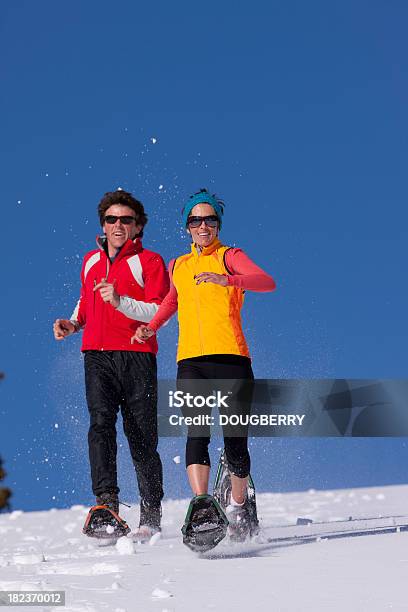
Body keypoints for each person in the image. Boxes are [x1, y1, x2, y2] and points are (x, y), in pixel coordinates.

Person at [132, 188, 276, 538]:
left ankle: (239, 504)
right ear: (187, 227)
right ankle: (202, 505)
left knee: (234, 443)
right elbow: (171, 300)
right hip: (191, 363)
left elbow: (266, 282)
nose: (202, 225)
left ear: (217, 223)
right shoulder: (178, 265)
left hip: (231, 359)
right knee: (196, 435)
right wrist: (150, 328)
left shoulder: (229, 255)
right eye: (195, 220)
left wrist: (227, 279)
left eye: (209, 219)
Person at [53, 189, 169, 539]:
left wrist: (120, 302)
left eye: (126, 220)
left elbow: (159, 310)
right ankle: (107, 505)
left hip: (137, 355)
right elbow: (85, 301)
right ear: (103, 224)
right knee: (100, 425)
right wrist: (73, 324)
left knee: (141, 436)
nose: (118, 225)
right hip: (96, 355)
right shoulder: (90, 260)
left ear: (138, 226)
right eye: (111, 219)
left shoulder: (149, 261)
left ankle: (150, 513)